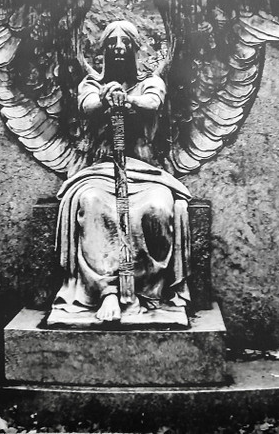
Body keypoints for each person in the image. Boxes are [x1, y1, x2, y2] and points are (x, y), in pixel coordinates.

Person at [52, 21, 192, 322]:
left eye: (125, 42)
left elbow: (152, 103)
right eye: (112, 42)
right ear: (103, 49)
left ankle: (144, 290)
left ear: (135, 49)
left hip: (145, 174)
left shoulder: (151, 83)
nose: (118, 47)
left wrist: (127, 100)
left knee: (158, 208)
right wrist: (107, 96)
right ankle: (107, 291)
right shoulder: (90, 85)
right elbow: (88, 105)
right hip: (101, 172)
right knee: (92, 203)